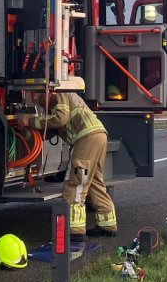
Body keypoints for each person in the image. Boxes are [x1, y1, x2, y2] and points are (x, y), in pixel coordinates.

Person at [23, 91, 117, 237]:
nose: (41, 104)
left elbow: (60, 119)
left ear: (48, 92)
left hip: (86, 140)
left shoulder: (61, 91)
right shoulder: (62, 102)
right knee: (94, 183)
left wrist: (30, 121)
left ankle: (75, 231)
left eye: (40, 99)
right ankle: (107, 225)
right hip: (98, 137)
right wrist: (31, 130)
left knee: (76, 184)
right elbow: (54, 128)